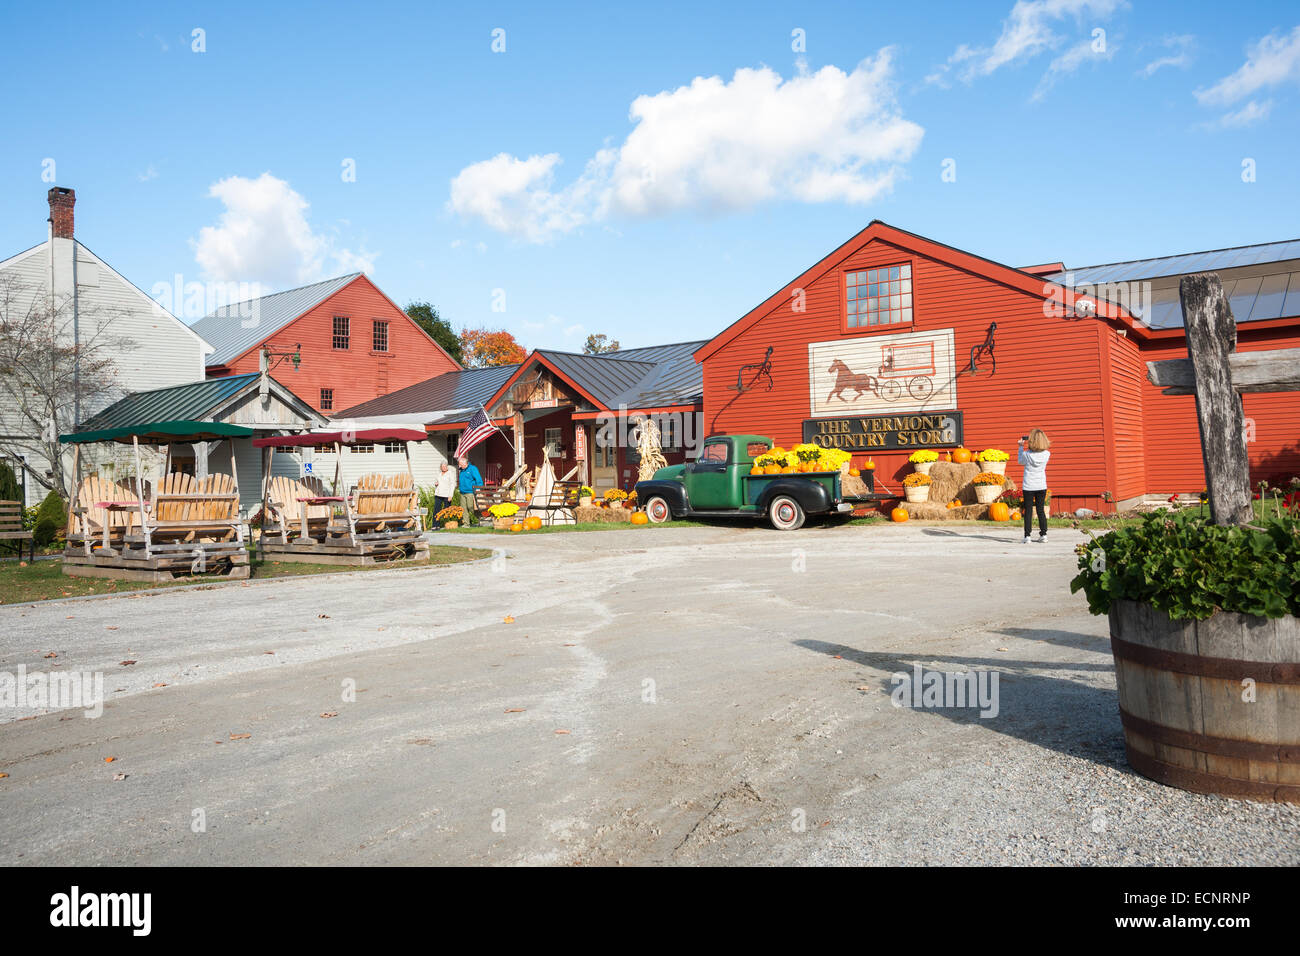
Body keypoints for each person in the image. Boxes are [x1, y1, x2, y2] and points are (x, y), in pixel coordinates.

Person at [1018, 428, 1051, 544]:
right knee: (1040, 510)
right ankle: (1044, 534)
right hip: (1041, 485)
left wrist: (1021, 447)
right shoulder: (1047, 454)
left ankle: (1027, 536)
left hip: (1028, 485)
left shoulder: (1026, 454)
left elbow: (1020, 461)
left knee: (1028, 511)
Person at [457, 456, 482, 525]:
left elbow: (478, 479)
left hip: (470, 491)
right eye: (459, 464)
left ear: (465, 463)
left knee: (471, 507)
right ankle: (466, 524)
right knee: (463, 509)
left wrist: (478, 489)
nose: (460, 466)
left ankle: (480, 518)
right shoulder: (461, 470)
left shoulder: (473, 469)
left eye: (461, 464)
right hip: (462, 492)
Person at [432, 462, 456, 529]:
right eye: (442, 467)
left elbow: (452, 485)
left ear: (447, 467)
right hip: (438, 494)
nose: (444, 468)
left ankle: (447, 525)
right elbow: (436, 481)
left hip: (447, 495)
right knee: (436, 510)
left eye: (445, 466)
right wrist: (436, 483)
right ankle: (435, 525)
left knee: (447, 510)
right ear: (440, 467)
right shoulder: (439, 474)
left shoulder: (450, 474)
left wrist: (450, 495)